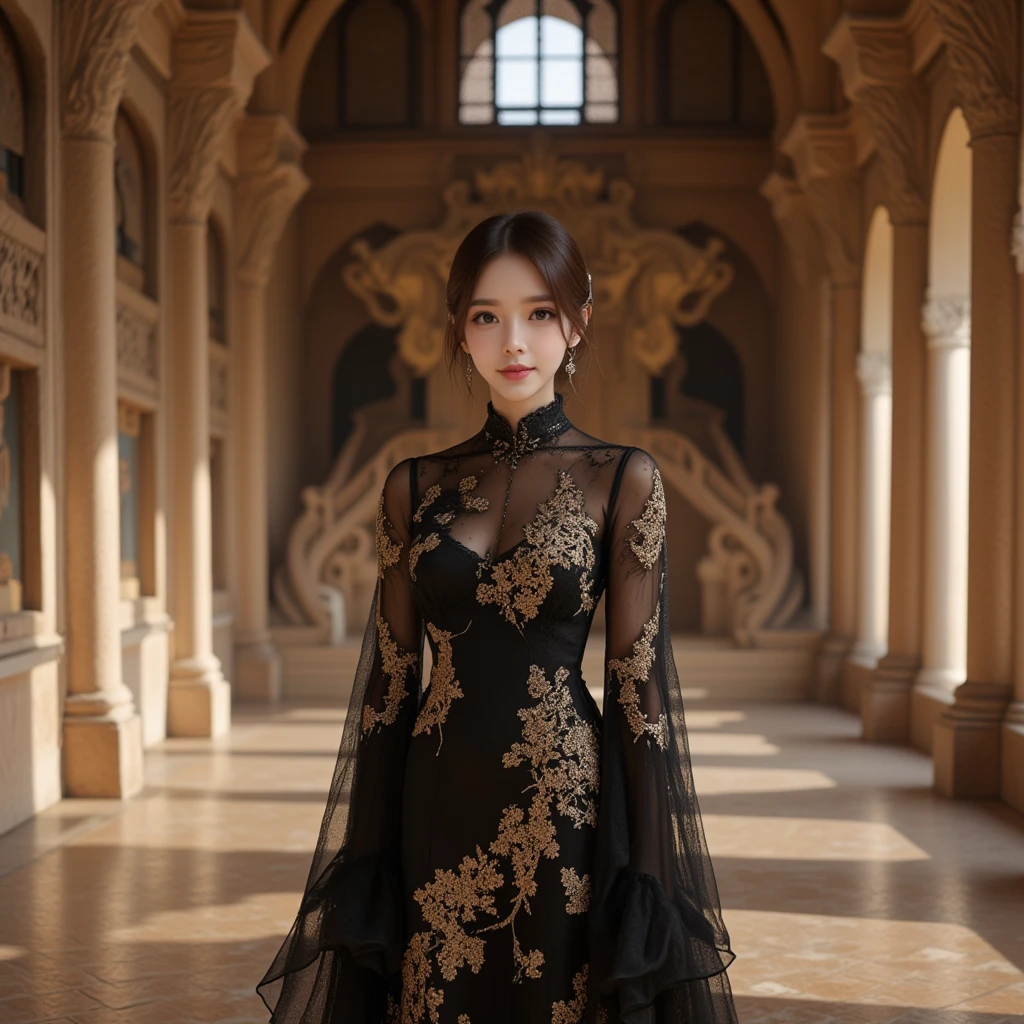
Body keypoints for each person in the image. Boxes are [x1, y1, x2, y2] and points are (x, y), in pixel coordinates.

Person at [257, 211, 737, 1023]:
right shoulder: (412, 486)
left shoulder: (622, 478)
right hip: (434, 803)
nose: (514, 340)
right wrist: (369, 855)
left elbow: (639, 693)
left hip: (564, 809)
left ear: (578, 323)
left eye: (539, 313)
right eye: (487, 316)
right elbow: (388, 689)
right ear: (459, 330)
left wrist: (647, 880)